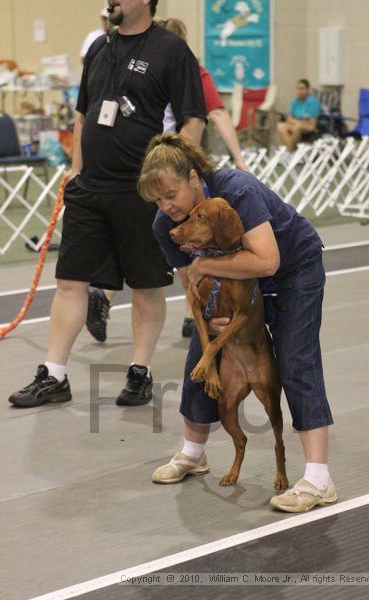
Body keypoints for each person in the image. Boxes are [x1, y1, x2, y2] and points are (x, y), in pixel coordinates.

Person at [8, 1, 206, 409]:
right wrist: (77, 172)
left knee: (147, 284)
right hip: (91, 188)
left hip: (141, 192)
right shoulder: (99, 47)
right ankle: (55, 374)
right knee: (70, 280)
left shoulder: (172, 51)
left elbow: (193, 120)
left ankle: (139, 372)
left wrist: (172, 181)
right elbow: (83, 114)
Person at [137, 132, 337, 513]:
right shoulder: (166, 225)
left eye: (171, 194)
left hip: (293, 271)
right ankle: (193, 453)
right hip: (236, 285)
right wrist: (212, 322)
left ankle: (318, 478)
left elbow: (266, 262)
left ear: (194, 178)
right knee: (201, 357)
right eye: (157, 200)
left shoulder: (237, 190)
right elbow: (192, 286)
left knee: (297, 360)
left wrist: (205, 263)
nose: (165, 207)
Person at [86, 15, 250, 342]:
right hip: (175, 174)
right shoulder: (192, 71)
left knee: (141, 239)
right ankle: (194, 314)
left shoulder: (137, 68)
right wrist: (239, 158)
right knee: (192, 240)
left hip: (139, 168)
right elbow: (217, 113)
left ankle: (104, 296)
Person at [277, 79, 321, 152]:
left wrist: (297, 122)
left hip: (308, 127)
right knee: (281, 126)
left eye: (302, 89)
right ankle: (291, 151)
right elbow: (289, 118)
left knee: (298, 127)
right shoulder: (295, 101)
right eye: (298, 89)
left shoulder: (313, 102)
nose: (300, 91)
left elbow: (311, 123)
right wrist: (296, 122)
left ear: (307, 90)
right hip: (295, 124)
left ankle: (290, 151)